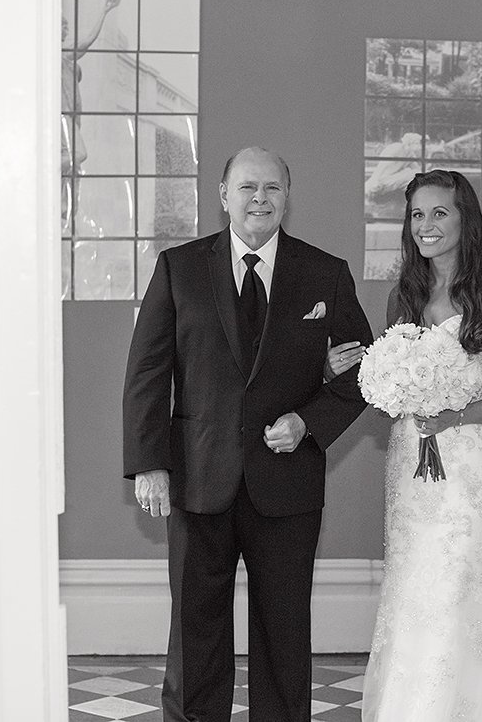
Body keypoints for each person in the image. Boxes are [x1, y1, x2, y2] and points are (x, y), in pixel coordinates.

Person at [123, 147, 373, 722]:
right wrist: (149, 462)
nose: (259, 199)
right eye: (247, 188)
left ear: (288, 195)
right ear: (223, 194)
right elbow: (146, 374)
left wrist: (309, 420)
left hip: (286, 487)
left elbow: (366, 369)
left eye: (272, 189)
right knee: (194, 630)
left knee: (284, 633)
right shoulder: (178, 268)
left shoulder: (324, 272)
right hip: (197, 477)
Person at [328, 169, 482, 720]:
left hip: (471, 461)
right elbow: (390, 379)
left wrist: (454, 417)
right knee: (414, 582)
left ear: (465, 219)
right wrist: (387, 384)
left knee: (463, 577)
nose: (426, 225)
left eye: (439, 212)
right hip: (411, 464)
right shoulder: (402, 295)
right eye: (417, 214)